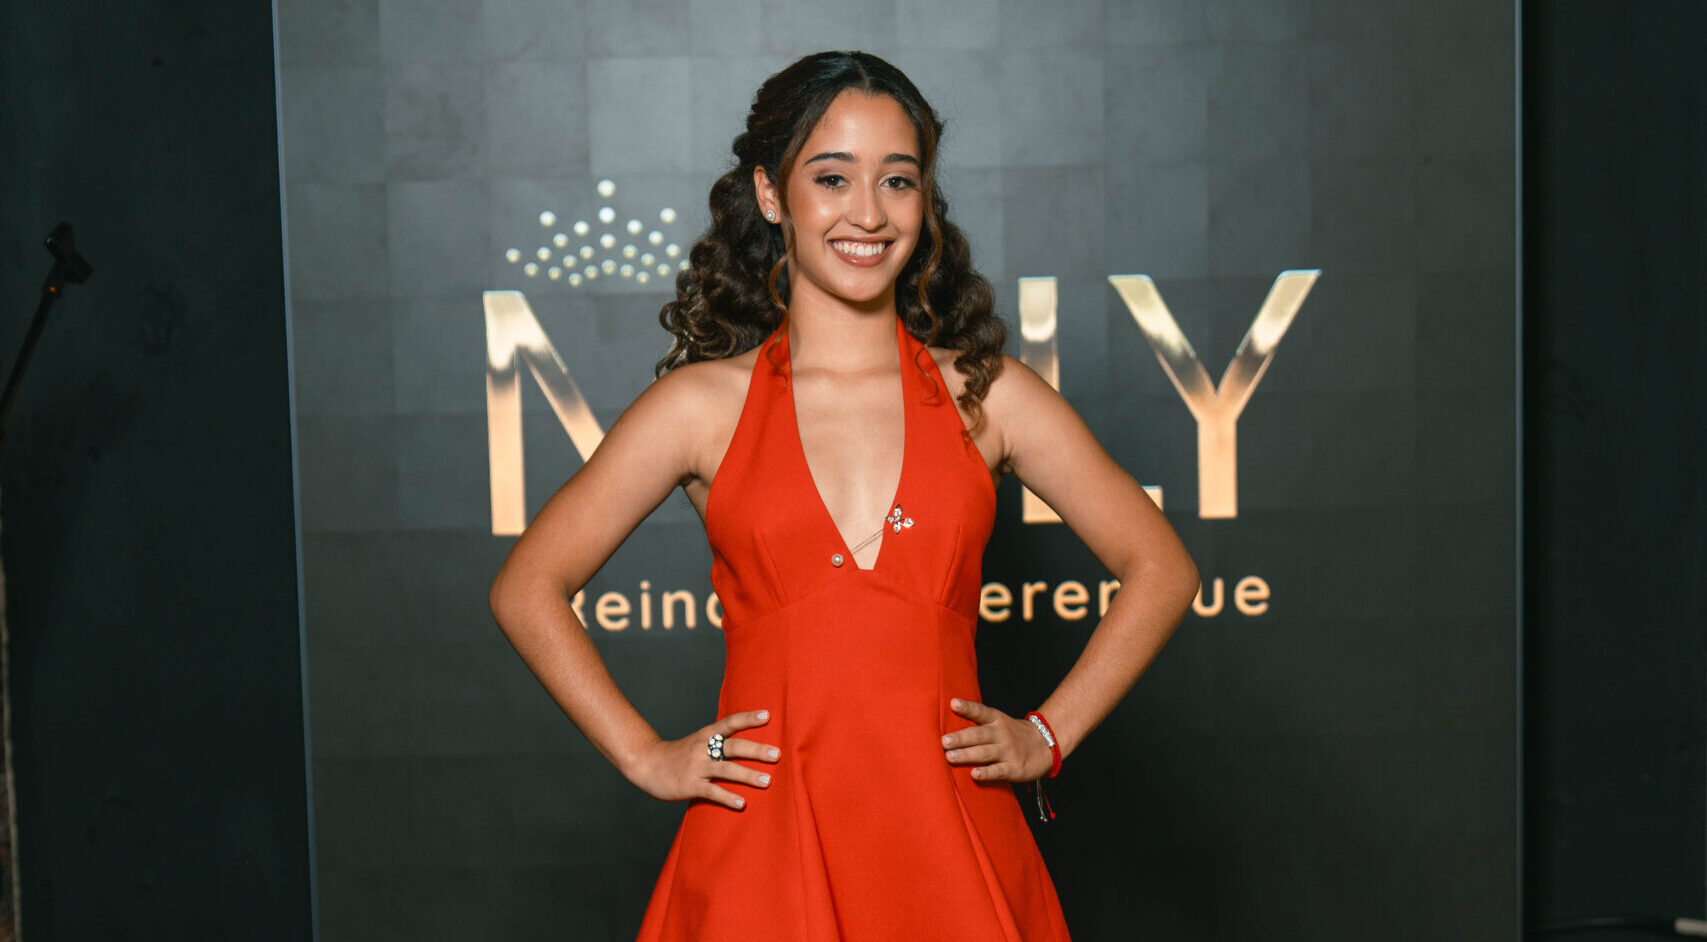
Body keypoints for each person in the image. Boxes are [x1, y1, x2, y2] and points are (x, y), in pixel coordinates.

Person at [488, 50, 1199, 941]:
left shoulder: (988, 396)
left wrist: (1047, 735)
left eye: (897, 180)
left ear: (923, 201)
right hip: (762, 852)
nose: (868, 212)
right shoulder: (701, 408)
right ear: (771, 193)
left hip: (950, 845)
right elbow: (527, 587)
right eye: (832, 178)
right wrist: (645, 756)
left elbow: (1160, 567)